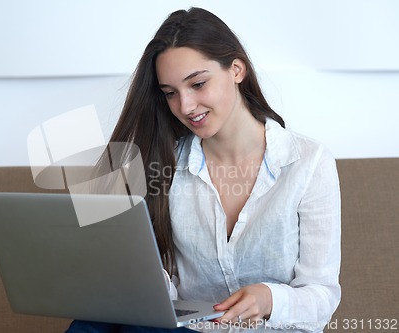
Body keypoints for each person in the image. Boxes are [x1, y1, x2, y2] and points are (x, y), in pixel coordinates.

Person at [67, 7, 341, 333]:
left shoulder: (308, 162)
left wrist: (270, 298)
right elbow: (165, 288)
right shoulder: (164, 161)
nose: (185, 106)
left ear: (236, 70)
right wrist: (141, 279)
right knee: (99, 315)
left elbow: (322, 295)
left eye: (197, 84)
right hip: (187, 330)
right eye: (170, 93)